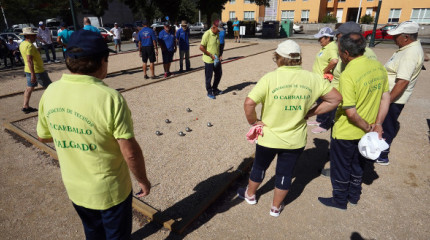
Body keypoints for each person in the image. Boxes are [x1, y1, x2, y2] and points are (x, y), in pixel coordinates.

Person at [36, 30, 151, 239]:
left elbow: (43, 136)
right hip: (110, 191)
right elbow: (130, 152)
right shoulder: (109, 98)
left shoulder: (50, 92)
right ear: (102, 61)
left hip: (75, 187)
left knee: (92, 233)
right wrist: (143, 180)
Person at [238, 39, 342, 217]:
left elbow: (249, 103)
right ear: (299, 58)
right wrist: (310, 113)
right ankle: (275, 207)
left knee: (259, 167)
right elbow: (335, 99)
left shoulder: (270, 78)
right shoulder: (313, 78)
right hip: (294, 139)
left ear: (278, 58)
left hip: (269, 137)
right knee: (285, 173)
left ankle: (250, 195)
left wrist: (254, 122)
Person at [318, 33, 390, 210]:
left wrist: (367, 127)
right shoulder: (378, 66)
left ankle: (340, 200)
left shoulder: (348, 74)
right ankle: (354, 196)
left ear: (346, 53)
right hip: (368, 130)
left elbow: (350, 112)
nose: (339, 54)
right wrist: (377, 125)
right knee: (359, 164)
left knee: (341, 166)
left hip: (347, 131)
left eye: (340, 51)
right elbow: (385, 98)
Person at [320, 21, 378, 177]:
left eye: (338, 37)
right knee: (347, 144)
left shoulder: (353, 56)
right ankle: (343, 165)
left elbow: (351, 83)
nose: (336, 41)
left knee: (346, 144)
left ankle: (339, 171)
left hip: (350, 106)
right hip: (349, 103)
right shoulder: (363, 53)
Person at [376, 21, 424, 166]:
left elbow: (402, 82)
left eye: (396, 36)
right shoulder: (409, 48)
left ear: (406, 37)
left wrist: (387, 101)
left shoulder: (410, 53)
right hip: (390, 96)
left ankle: (382, 155)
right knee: (385, 123)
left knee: (387, 125)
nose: (393, 38)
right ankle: (379, 151)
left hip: (394, 98)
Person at [309, 27, 339, 134]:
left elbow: (334, 60)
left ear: (328, 38)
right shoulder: (325, 47)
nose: (319, 40)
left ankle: (324, 124)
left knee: (325, 101)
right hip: (318, 79)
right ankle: (320, 119)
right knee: (319, 100)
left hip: (324, 79)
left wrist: (324, 71)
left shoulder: (331, 47)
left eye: (321, 38)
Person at [19, 27, 52, 114]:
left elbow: (28, 57)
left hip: (28, 69)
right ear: (29, 36)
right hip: (37, 70)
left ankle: (25, 106)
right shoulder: (29, 46)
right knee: (50, 87)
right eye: (33, 35)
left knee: (29, 87)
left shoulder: (22, 44)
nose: (35, 36)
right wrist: (33, 74)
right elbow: (29, 60)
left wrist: (36, 51)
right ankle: (52, 105)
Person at [199, 20, 223, 99]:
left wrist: (220, 55)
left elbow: (218, 46)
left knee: (219, 74)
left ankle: (215, 88)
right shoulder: (207, 34)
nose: (219, 31)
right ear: (214, 27)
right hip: (209, 60)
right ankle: (209, 91)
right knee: (209, 77)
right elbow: (201, 47)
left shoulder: (217, 34)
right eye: (218, 29)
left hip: (216, 59)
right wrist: (210, 55)